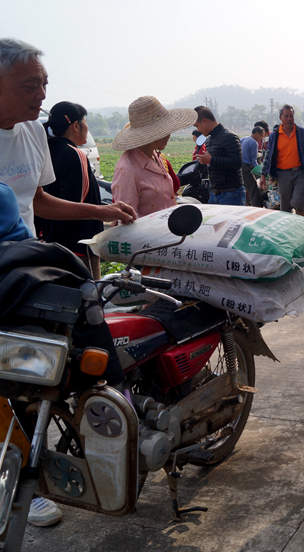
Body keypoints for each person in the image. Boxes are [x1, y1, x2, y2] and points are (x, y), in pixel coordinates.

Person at [0, 36, 136, 529]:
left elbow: (36, 200)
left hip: (24, 265)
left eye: (43, 84)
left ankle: (38, 467)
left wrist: (99, 210)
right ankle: (16, 478)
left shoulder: (34, 133)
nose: (40, 95)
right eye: (28, 85)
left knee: (49, 372)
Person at [40, 101, 105, 279]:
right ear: (76, 125)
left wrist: (49, 240)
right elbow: (74, 205)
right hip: (79, 247)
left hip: (51, 243)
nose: (87, 127)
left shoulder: (47, 150)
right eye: (85, 122)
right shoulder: (75, 155)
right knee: (89, 298)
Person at [111, 96, 196, 216]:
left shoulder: (156, 156)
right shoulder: (127, 169)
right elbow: (126, 220)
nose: (169, 135)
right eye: (165, 130)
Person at [259, 105, 304, 216]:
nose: (289, 118)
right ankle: (289, 229)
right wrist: (263, 176)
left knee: (299, 201)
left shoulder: (303, 133)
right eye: (286, 116)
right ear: (281, 117)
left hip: (300, 173)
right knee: (285, 206)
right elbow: (268, 156)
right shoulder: (275, 136)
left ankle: (301, 225)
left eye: (291, 116)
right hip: (282, 174)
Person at [193, 105, 245, 205]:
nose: (198, 130)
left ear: (205, 121)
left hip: (231, 194)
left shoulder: (229, 136)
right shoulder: (209, 140)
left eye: (197, 126)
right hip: (214, 193)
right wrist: (206, 161)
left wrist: (211, 160)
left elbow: (237, 163)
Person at [241, 125, 266, 207]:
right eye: (261, 135)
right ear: (256, 133)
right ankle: (257, 207)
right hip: (246, 168)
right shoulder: (254, 143)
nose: (261, 138)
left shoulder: (243, 139)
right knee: (253, 189)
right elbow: (253, 160)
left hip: (239, 167)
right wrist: (260, 171)